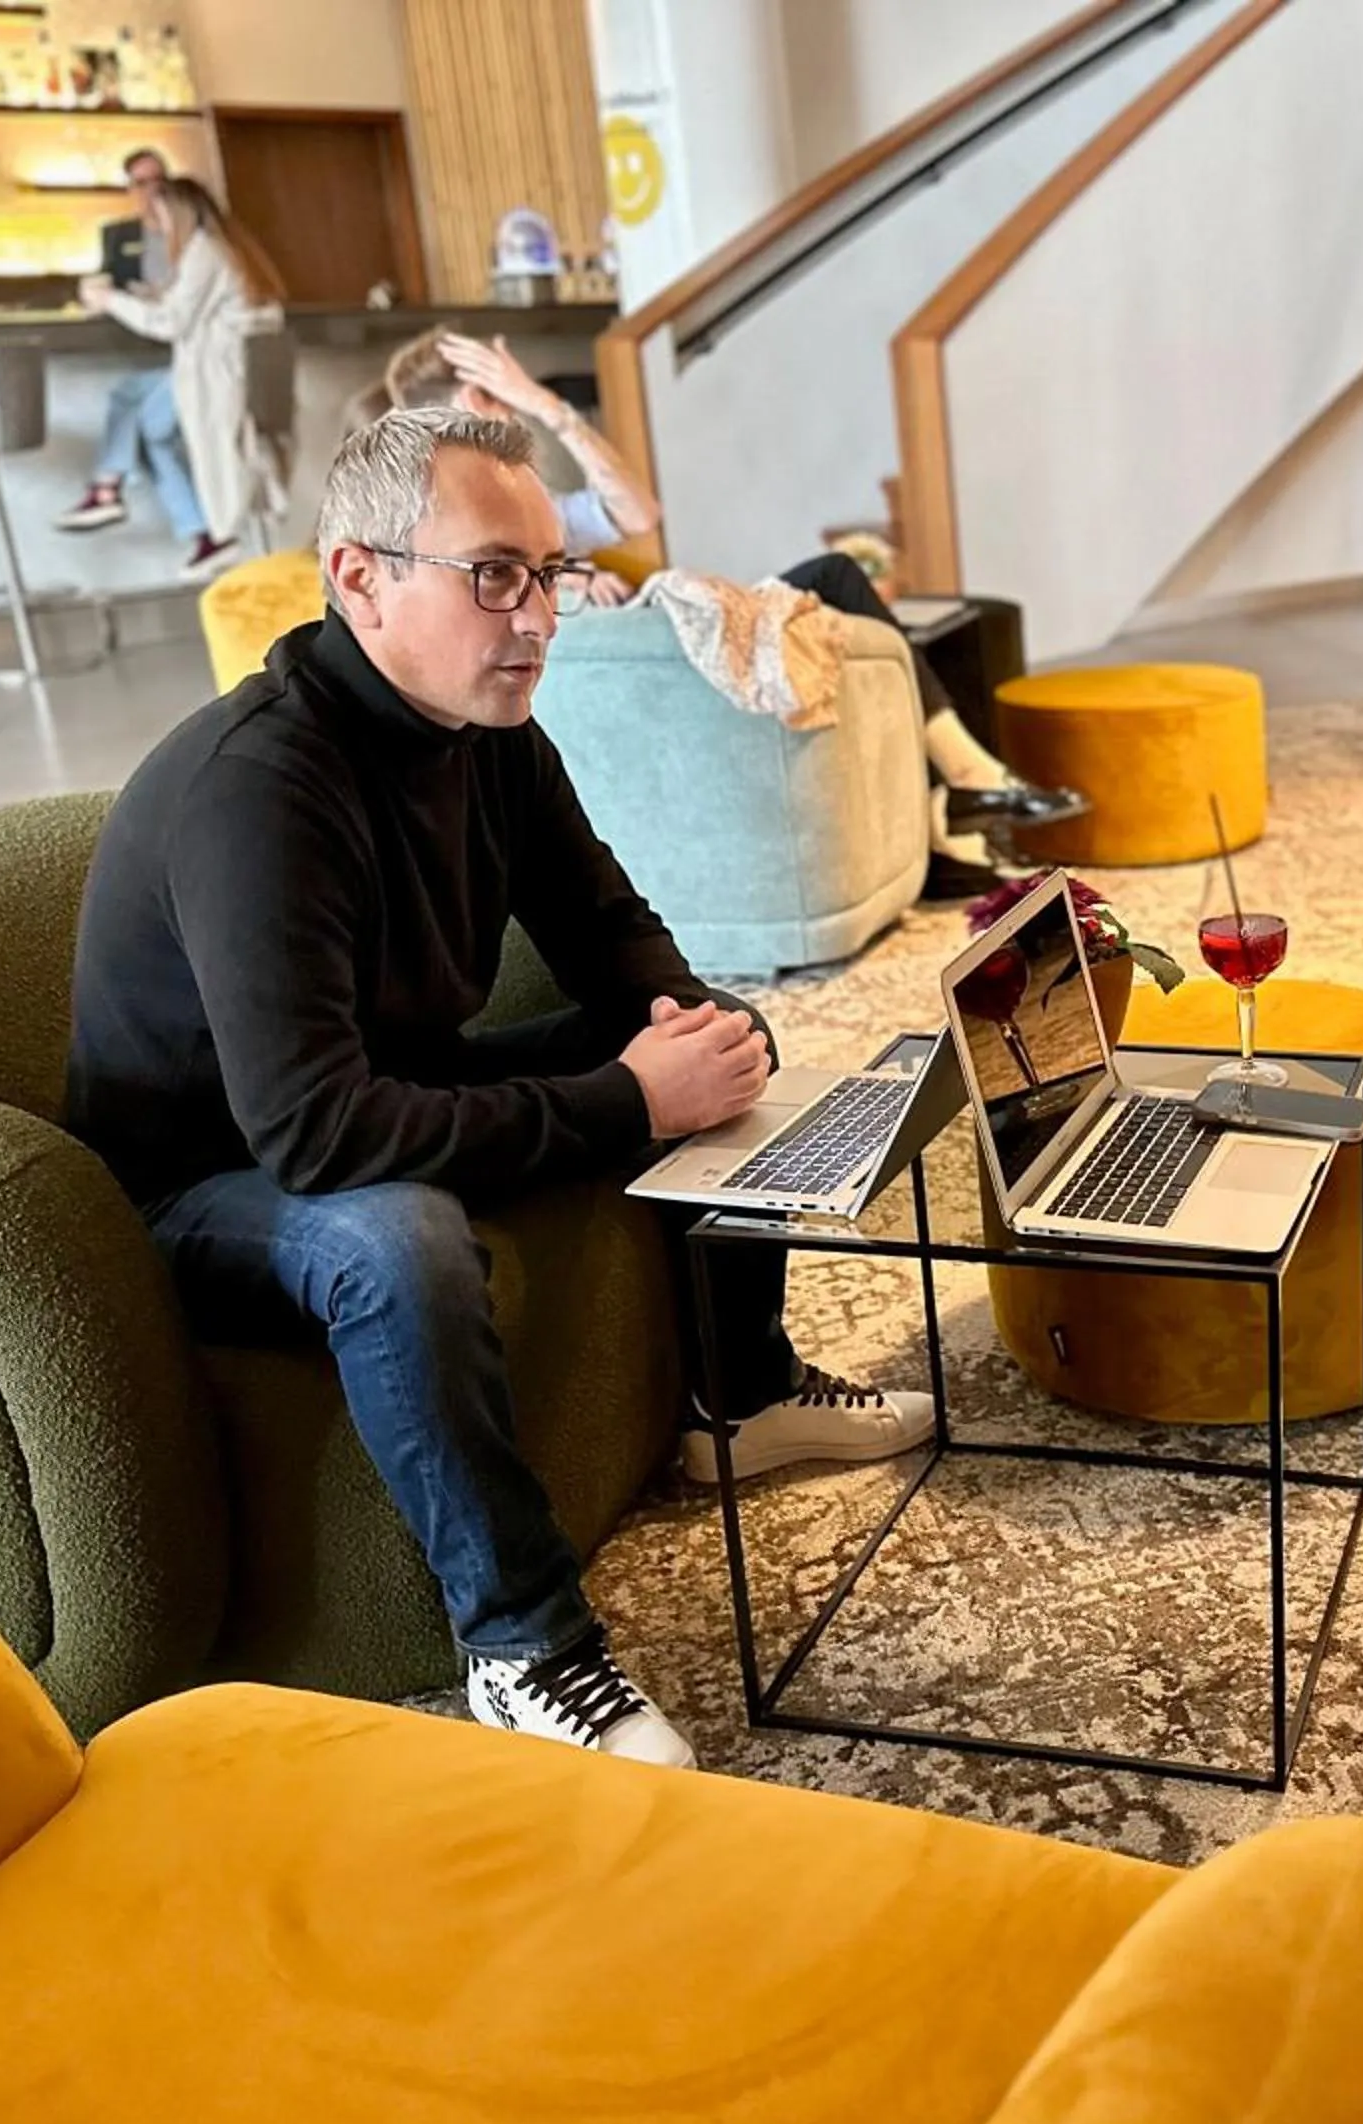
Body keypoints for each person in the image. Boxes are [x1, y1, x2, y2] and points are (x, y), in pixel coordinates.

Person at [64, 406, 936, 1767]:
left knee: (711, 1031)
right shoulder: (260, 787)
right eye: (493, 573)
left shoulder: (488, 728)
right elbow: (316, 1133)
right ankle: (524, 1644)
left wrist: (684, 1026)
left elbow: (604, 922)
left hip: (381, 1085)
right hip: (202, 1180)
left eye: (549, 572)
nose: (539, 615)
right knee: (398, 1236)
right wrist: (631, 1101)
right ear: (360, 576)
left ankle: (740, 1394)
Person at [379, 326, 1082, 898]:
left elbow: (636, 511)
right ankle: (969, 782)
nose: (508, 408)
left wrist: (547, 409)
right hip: (641, 665)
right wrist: (564, 569)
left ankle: (960, 800)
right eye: (493, 394)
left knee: (832, 580)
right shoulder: (447, 544)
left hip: (652, 649)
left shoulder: (539, 516)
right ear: (468, 400)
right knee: (832, 579)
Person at [76, 177, 287, 581]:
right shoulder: (221, 249)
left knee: (139, 412)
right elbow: (181, 306)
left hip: (217, 375)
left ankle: (109, 485)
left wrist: (110, 300)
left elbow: (170, 321)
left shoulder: (203, 252)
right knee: (140, 413)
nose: (156, 227)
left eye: (159, 217)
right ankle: (184, 522)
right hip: (220, 370)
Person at [54, 147, 189, 539]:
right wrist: (106, 297)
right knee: (141, 416)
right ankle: (202, 535)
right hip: (149, 349)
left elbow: (180, 311)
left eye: (160, 181)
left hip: (191, 355)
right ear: (130, 188)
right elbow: (108, 282)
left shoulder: (195, 238)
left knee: (143, 419)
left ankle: (107, 487)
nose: (153, 191)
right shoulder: (119, 234)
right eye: (143, 182)